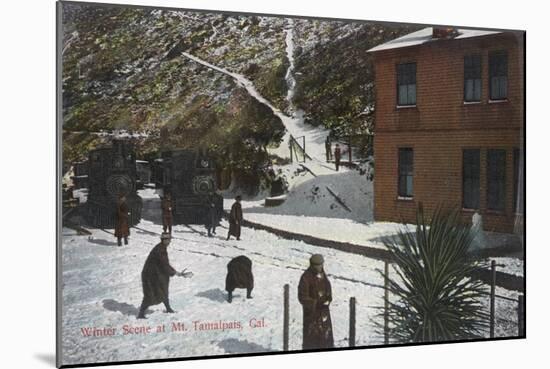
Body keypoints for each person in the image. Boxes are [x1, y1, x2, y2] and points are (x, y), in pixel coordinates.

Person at [137, 233, 192, 319]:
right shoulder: (160, 249)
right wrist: (175, 273)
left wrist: (174, 272)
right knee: (150, 294)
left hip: (156, 273)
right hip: (150, 275)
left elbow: (164, 264)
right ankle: (141, 314)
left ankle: (168, 308)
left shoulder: (161, 247)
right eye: (169, 239)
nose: (170, 241)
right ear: (165, 240)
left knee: (164, 290)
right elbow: (164, 264)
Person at [297, 254, 334, 350]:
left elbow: (327, 287)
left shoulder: (322, 274)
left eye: (321, 264)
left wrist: (329, 297)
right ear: (312, 264)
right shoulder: (306, 277)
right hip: (311, 316)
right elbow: (302, 297)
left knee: (326, 339)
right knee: (312, 341)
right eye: (318, 265)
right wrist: (315, 303)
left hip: (324, 314)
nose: (320, 267)